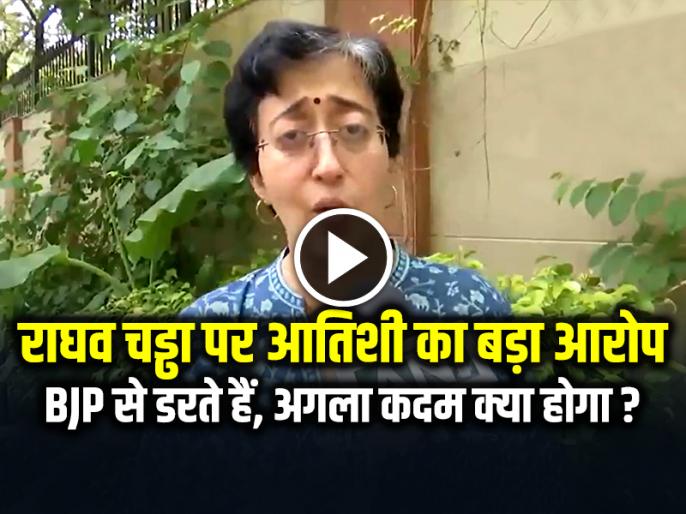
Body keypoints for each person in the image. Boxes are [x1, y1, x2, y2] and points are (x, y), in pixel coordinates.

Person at [181, 20, 510, 323]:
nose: (328, 166)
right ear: (258, 178)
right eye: (292, 136)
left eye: (353, 129)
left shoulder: (471, 307)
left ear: (391, 158)